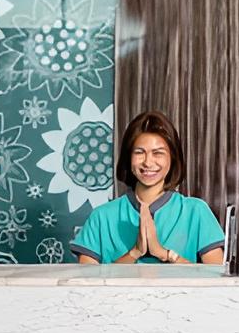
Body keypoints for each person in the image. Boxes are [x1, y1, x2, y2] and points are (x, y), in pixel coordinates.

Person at [70, 110, 225, 265]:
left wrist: (165, 254)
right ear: (128, 157)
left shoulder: (196, 211)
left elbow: (215, 276)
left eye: (158, 153)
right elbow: (87, 278)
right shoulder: (101, 217)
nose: (148, 163)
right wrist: (135, 252)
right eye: (139, 152)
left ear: (172, 157)